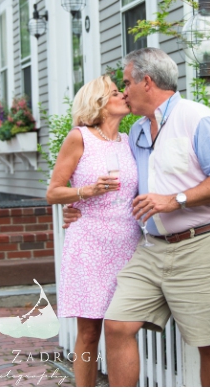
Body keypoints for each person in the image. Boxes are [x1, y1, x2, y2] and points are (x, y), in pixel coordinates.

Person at [65, 47, 210, 387]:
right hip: (153, 248)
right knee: (117, 325)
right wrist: (78, 207)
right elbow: (127, 188)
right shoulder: (136, 133)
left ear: (146, 82)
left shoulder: (196, 118)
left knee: (208, 342)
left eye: (127, 82)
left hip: (202, 242)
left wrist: (176, 200)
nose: (124, 90)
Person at [46, 75, 141, 387]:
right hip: (89, 244)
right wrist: (86, 191)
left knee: (123, 328)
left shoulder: (130, 141)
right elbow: (54, 192)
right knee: (89, 333)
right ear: (100, 104)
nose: (124, 96)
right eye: (116, 93)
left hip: (128, 244)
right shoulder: (79, 138)